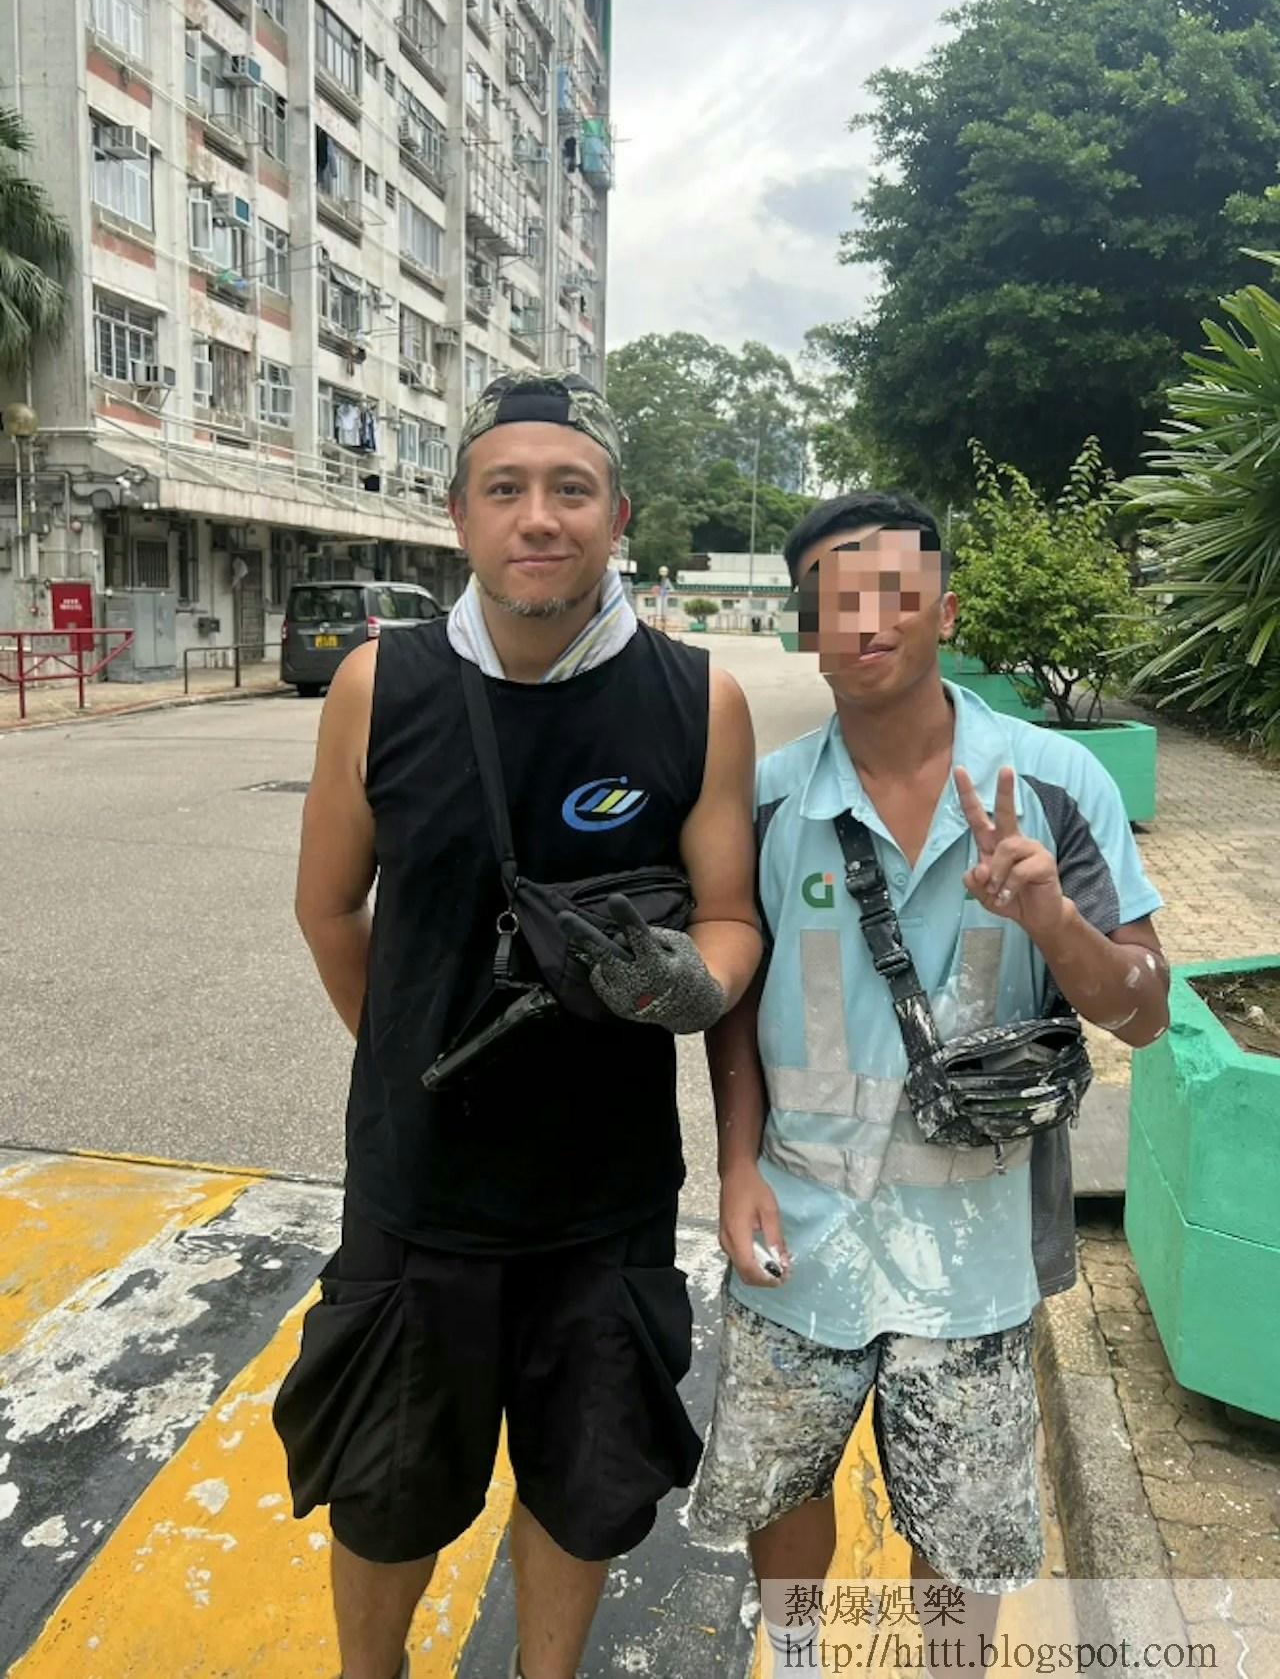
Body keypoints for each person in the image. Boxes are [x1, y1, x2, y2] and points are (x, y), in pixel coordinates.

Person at [274, 370, 762, 1679]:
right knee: (385, 1488)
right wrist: (409, 1056)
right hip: (417, 1192)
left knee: (584, 1485)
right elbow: (328, 907)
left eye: (570, 488)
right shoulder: (379, 686)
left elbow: (730, 914)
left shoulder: (696, 699)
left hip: (606, 1198)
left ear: (618, 516)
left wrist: (697, 981)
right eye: (505, 488)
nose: (538, 516)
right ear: (459, 515)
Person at [689, 492, 1170, 1675]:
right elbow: (732, 999)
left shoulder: (1051, 783)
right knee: (781, 1481)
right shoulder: (764, 796)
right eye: (832, 601)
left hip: (976, 1242)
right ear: (805, 627)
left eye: (892, 595)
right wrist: (735, 1163)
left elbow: (1143, 1010)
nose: (863, 621)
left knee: (959, 1530)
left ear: (943, 611)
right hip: (799, 1226)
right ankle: (797, 1656)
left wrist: (1051, 917)